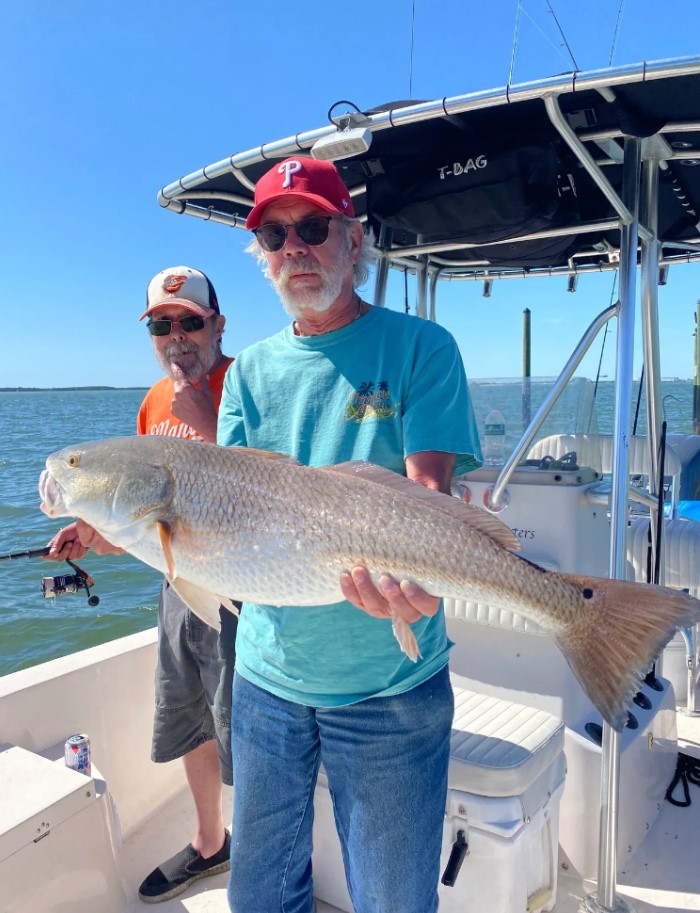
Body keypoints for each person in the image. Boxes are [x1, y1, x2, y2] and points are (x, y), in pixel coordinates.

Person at [217, 158, 482, 913]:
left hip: (390, 688)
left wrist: (418, 582)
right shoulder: (247, 375)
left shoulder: (422, 348)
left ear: (354, 239)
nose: (293, 247)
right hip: (266, 678)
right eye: (274, 234)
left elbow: (431, 495)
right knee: (257, 894)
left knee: (394, 900)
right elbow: (228, 507)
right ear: (262, 257)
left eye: (312, 227)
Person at [46, 266, 237, 904]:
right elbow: (150, 513)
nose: (176, 335)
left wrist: (208, 413)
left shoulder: (247, 382)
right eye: (162, 324)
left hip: (250, 587)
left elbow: (278, 493)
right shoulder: (152, 402)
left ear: (217, 324)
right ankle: (212, 844)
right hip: (180, 587)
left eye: (189, 321)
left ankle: (267, 857)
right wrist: (94, 534)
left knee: (248, 732)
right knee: (188, 719)